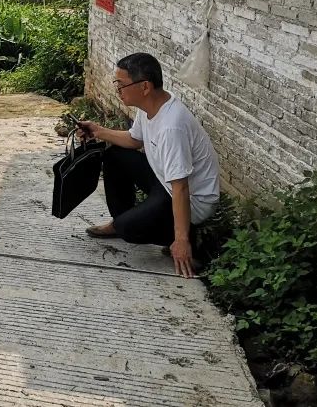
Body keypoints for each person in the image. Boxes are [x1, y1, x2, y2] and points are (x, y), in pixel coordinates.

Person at [77, 53, 220, 278]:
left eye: (121, 84)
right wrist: (99, 131)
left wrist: (181, 241)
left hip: (191, 200)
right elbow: (134, 140)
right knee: (115, 155)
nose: (117, 89)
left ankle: (188, 236)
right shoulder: (151, 106)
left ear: (145, 86)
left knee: (128, 230)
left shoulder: (172, 127)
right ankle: (121, 219)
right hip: (164, 182)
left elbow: (181, 187)